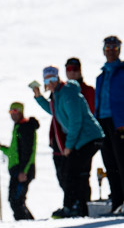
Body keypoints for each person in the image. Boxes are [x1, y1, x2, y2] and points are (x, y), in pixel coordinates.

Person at [34, 66, 105, 217]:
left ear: (58, 78)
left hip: (90, 137)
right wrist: (39, 97)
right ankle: (80, 207)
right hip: (84, 139)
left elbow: (75, 122)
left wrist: (68, 146)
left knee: (71, 170)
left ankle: (70, 207)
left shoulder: (67, 93)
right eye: (48, 80)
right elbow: (54, 111)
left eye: (53, 79)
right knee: (77, 172)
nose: (51, 82)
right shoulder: (58, 95)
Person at [95, 36, 124, 214]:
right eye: (108, 48)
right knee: (110, 163)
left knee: (122, 162)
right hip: (103, 122)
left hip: (119, 122)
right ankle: (117, 202)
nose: (111, 51)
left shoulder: (122, 71)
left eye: (114, 48)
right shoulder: (101, 76)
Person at [0, 102, 39, 220]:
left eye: (15, 111)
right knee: (15, 200)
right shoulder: (18, 127)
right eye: (11, 112)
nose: (12, 114)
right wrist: (2, 148)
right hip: (17, 169)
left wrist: (23, 171)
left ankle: (27, 227)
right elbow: (14, 152)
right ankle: (29, 225)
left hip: (22, 170)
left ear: (21, 111)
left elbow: (28, 151)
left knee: (16, 200)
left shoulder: (26, 127)